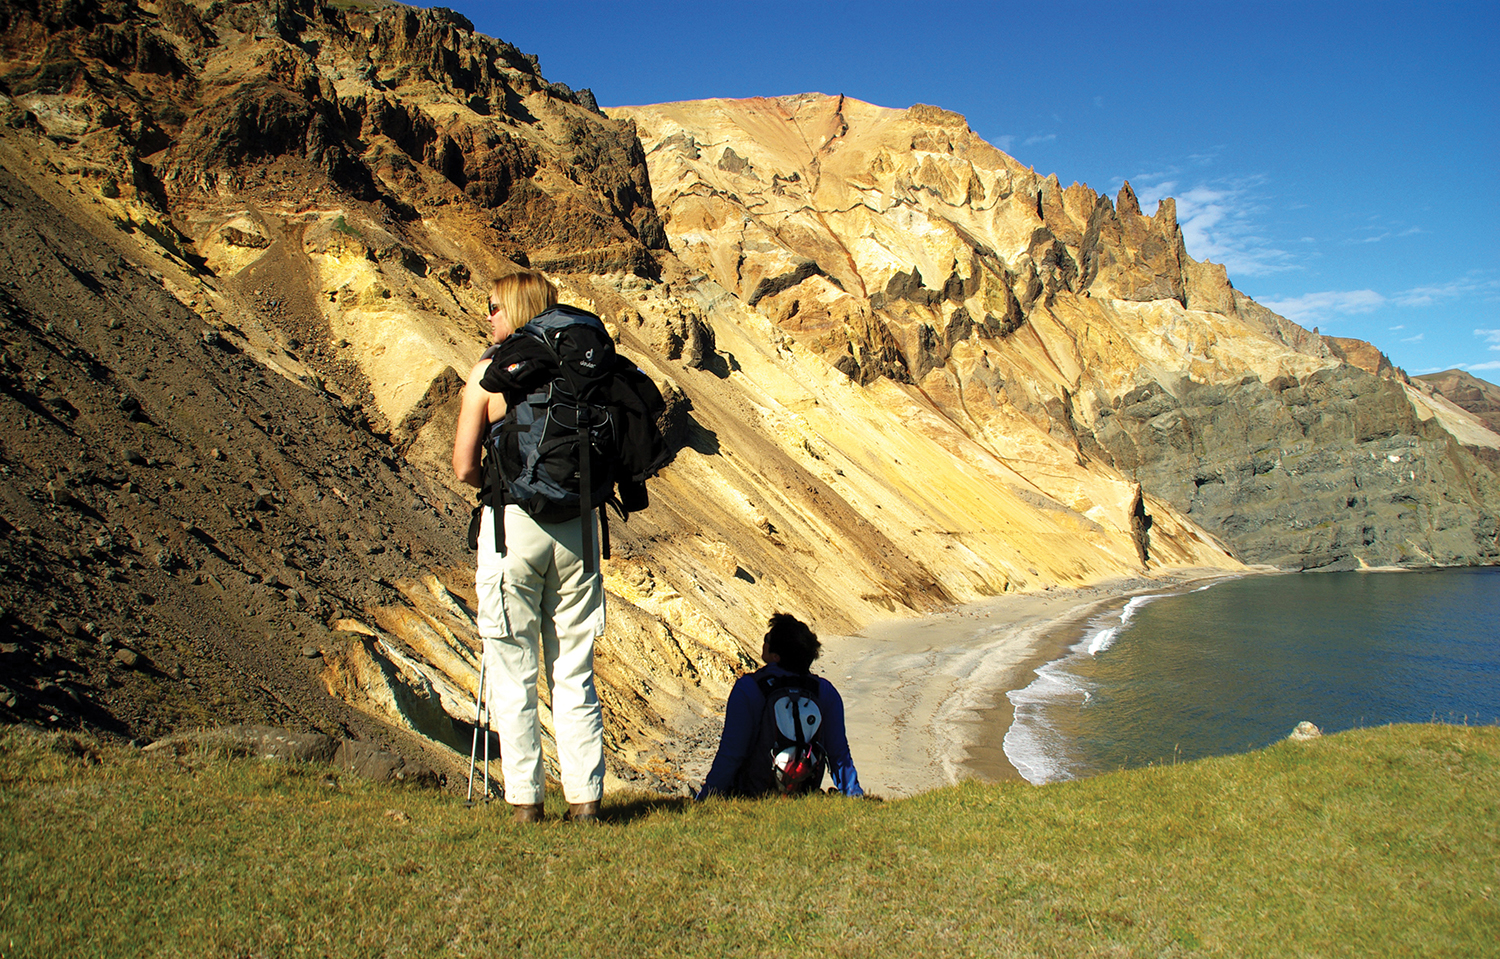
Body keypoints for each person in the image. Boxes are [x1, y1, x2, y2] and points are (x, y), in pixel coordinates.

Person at [452, 269, 606, 824]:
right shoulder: (583, 375)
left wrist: (506, 476)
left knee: (513, 667)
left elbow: (465, 466)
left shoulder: (488, 377)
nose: (487, 315)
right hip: (579, 532)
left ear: (515, 309)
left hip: (511, 529)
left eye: (493, 306)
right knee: (574, 670)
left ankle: (525, 803)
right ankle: (585, 802)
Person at [697, 613, 864, 799]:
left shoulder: (749, 689)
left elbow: (731, 755)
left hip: (753, 796)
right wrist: (854, 795)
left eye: (767, 639)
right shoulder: (825, 692)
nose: (764, 642)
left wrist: (705, 798)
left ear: (775, 656)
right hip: (804, 795)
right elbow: (839, 755)